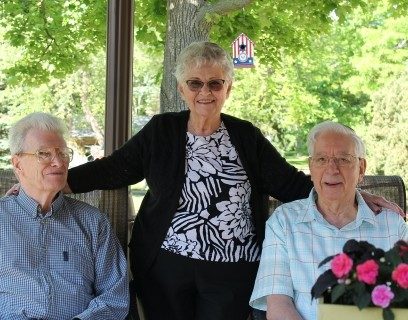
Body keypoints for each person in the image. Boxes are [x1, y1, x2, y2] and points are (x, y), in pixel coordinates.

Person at [63, 42, 400, 320]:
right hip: (165, 266)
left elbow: (292, 183)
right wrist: (56, 183)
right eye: (195, 83)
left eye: (215, 83)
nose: (205, 92)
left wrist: (357, 195)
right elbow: (114, 168)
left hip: (233, 270)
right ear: (182, 88)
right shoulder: (161, 131)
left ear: (228, 88)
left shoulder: (246, 137)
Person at [249, 121, 408, 320]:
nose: (332, 169)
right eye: (321, 159)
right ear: (311, 168)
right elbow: (279, 305)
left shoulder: (393, 226)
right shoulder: (283, 223)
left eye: (343, 159)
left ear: (361, 168)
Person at [0, 112, 129, 319]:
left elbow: (115, 298)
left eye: (62, 153)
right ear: (17, 164)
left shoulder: (94, 223)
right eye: (44, 154)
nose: (58, 163)